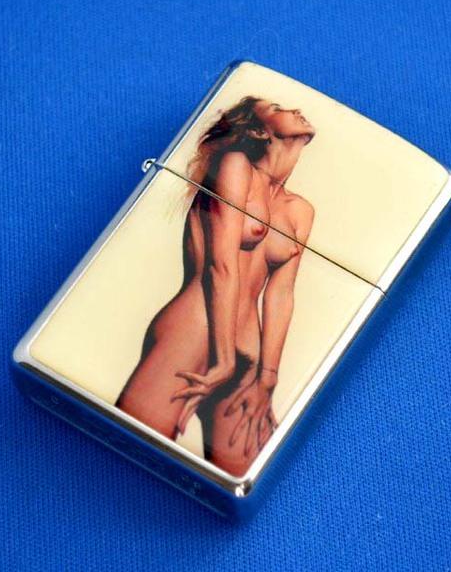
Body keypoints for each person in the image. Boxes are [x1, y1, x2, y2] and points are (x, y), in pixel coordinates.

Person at [116, 97, 315, 476]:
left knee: (248, 475)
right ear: (258, 129)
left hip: (246, 360)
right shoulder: (234, 165)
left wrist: (267, 378)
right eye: (277, 108)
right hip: (193, 335)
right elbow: (220, 266)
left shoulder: (300, 210)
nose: (295, 109)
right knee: (129, 448)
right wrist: (222, 359)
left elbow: (281, 294)